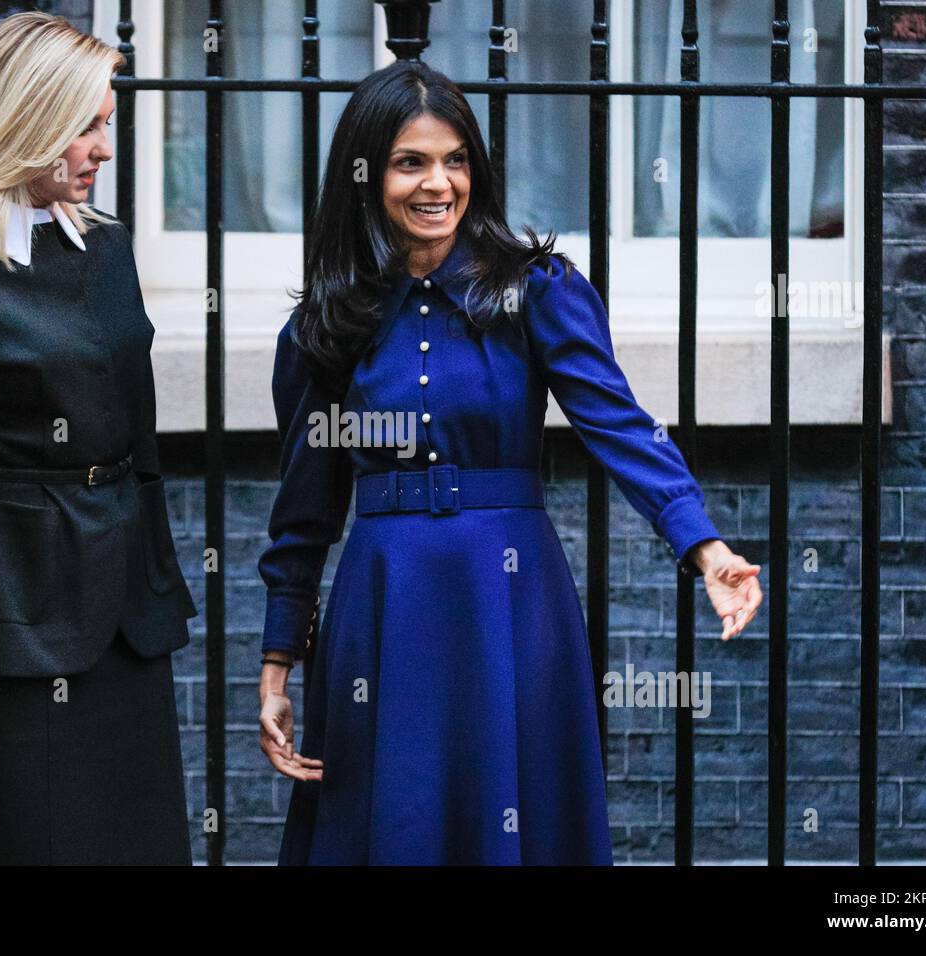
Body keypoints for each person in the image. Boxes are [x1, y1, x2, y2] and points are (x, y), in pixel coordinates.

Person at [256, 60, 764, 865]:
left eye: (455, 160)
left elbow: (620, 425)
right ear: (365, 174)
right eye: (410, 162)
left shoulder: (537, 290)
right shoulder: (325, 324)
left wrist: (703, 546)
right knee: (396, 820)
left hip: (509, 596)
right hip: (381, 607)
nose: (439, 184)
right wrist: (278, 661)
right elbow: (304, 510)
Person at [0, 12, 197, 865]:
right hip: (15, 633)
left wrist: (160, 593)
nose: (102, 146)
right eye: (86, 124)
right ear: (24, 118)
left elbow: (144, 446)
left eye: (107, 122)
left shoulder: (108, 249)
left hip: (127, 629)